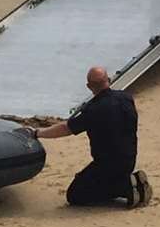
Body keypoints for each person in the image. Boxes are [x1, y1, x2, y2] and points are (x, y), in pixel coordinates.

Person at [31, 66, 151, 207]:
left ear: (89, 86)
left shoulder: (94, 109)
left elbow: (66, 128)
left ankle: (125, 188)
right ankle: (127, 182)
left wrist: (38, 133)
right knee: (93, 179)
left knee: (75, 195)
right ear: (109, 80)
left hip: (106, 164)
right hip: (129, 158)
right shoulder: (126, 98)